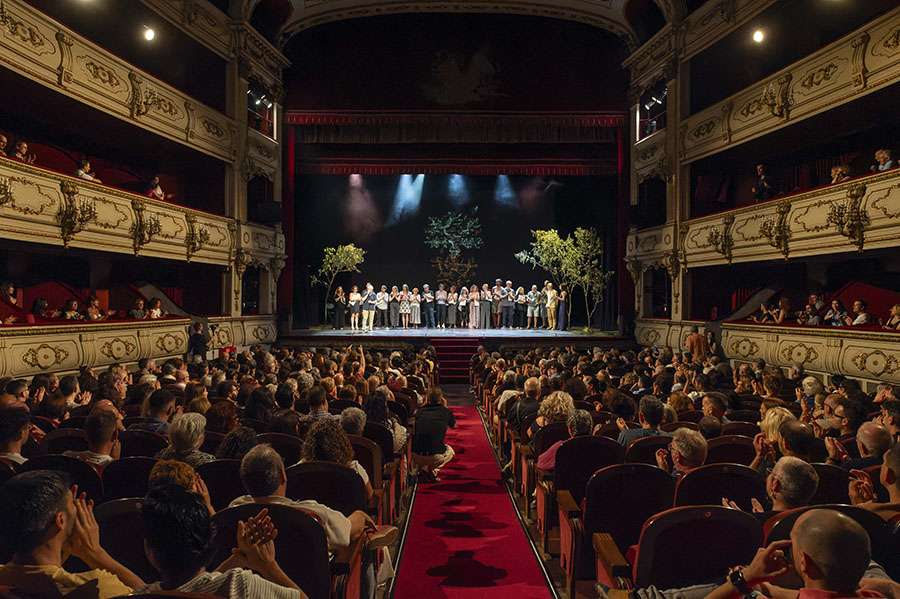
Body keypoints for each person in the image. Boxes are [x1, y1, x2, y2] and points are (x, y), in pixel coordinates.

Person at [140, 483, 306, 598]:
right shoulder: (240, 586)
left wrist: (237, 559)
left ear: (149, 550)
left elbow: (193, 587)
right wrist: (268, 565)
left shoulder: (141, 594)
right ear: (209, 537)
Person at [0, 471, 142, 597]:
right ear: (60, 520)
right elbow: (147, 594)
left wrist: (60, 543)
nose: (77, 509)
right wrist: (95, 553)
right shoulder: (97, 587)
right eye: (73, 505)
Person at [703, 509, 872, 599]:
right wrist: (768, 589)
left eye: (792, 544)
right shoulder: (879, 593)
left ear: (804, 562)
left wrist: (743, 578)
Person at [724, 456, 819, 522]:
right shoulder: (816, 521)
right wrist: (764, 515)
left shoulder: (755, 524)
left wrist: (743, 519)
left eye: (771, 472)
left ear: (775, 485)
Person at [412, 388, 456, 482]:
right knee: (451, 452)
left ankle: (424, 468)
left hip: (415, 455)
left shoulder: (420, 411)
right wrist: (445, 408)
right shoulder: (445, 412)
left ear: (427, 398)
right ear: (441, 398)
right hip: (435, 457)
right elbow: (454, 425)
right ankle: (432, 470)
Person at [850, 441, 900, 521]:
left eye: (883, 463)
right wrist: (870, 501)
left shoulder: (871, 515)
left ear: (889, 475)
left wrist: (860, 509)